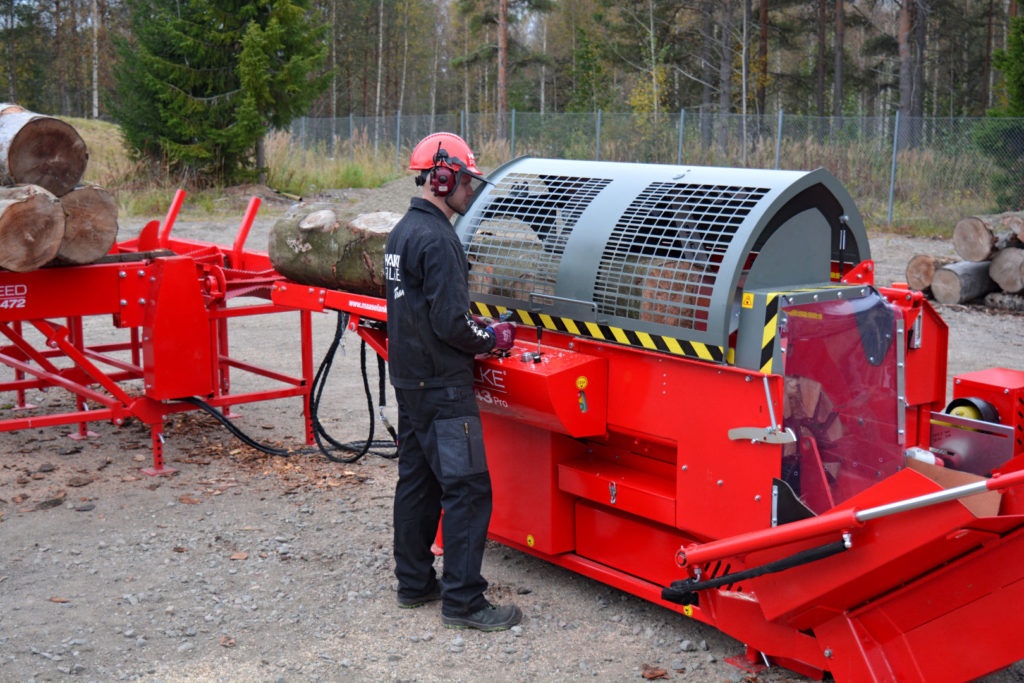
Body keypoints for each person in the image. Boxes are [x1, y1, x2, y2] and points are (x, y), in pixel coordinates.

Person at [383, 132, 521, 631]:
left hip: (410, 379)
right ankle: (464, 602)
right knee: (466, 490)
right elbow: (451, 324)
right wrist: (493, 336)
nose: (470, 191)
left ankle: (415, 582)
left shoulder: (401, 233)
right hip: (443, 386)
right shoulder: (439, 239)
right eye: (465, 181)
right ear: (443, 178)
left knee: (417, 482)